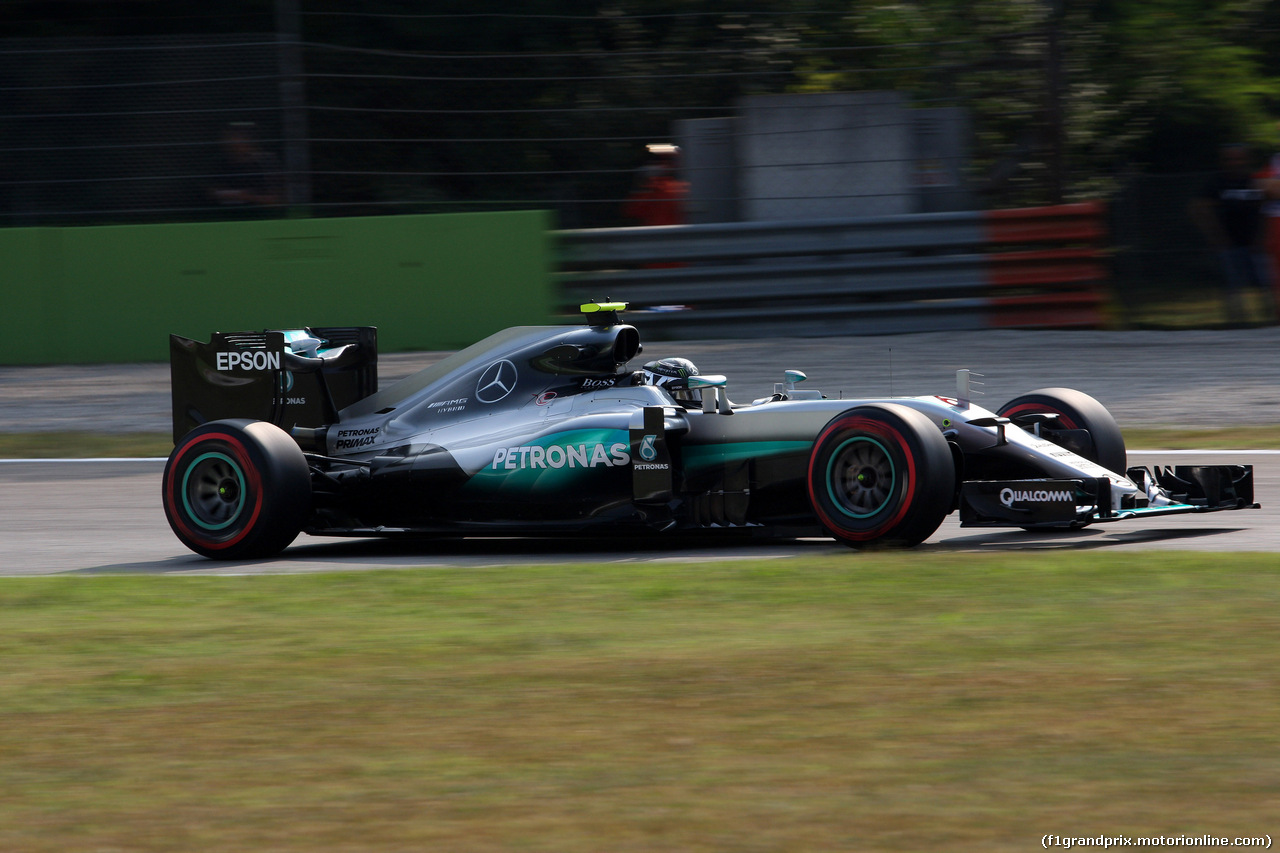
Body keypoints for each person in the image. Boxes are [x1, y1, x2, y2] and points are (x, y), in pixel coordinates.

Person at [1189, 143, 1277, 326]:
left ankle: (1271, 323)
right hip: (1229, 245)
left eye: (1238, 158)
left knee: (1265, 285)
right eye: (1229, 159)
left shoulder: (1254, 182)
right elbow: (1198, 208)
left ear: (1247, 160)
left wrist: (1260, 237)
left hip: (1254, 245)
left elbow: (1265, 208)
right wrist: (1215, 236)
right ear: (1223, 161)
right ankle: (1237, 325)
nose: (1234, 162)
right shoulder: (1217, 184)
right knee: (1233, 288)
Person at [208, 122, 283, 215]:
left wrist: (247, 197)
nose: (231, 141)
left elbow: (277, 201)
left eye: (237, 137)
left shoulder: (266, 162)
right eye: (228, 137)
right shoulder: (219, 163)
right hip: (223, 217)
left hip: (260, 217)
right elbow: (210, 192)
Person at [622, 143, 687, 227]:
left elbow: (631, 211)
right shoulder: (672, 187)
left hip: (660, 232)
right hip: (663, 232)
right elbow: (632, 211)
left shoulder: (667, 188)